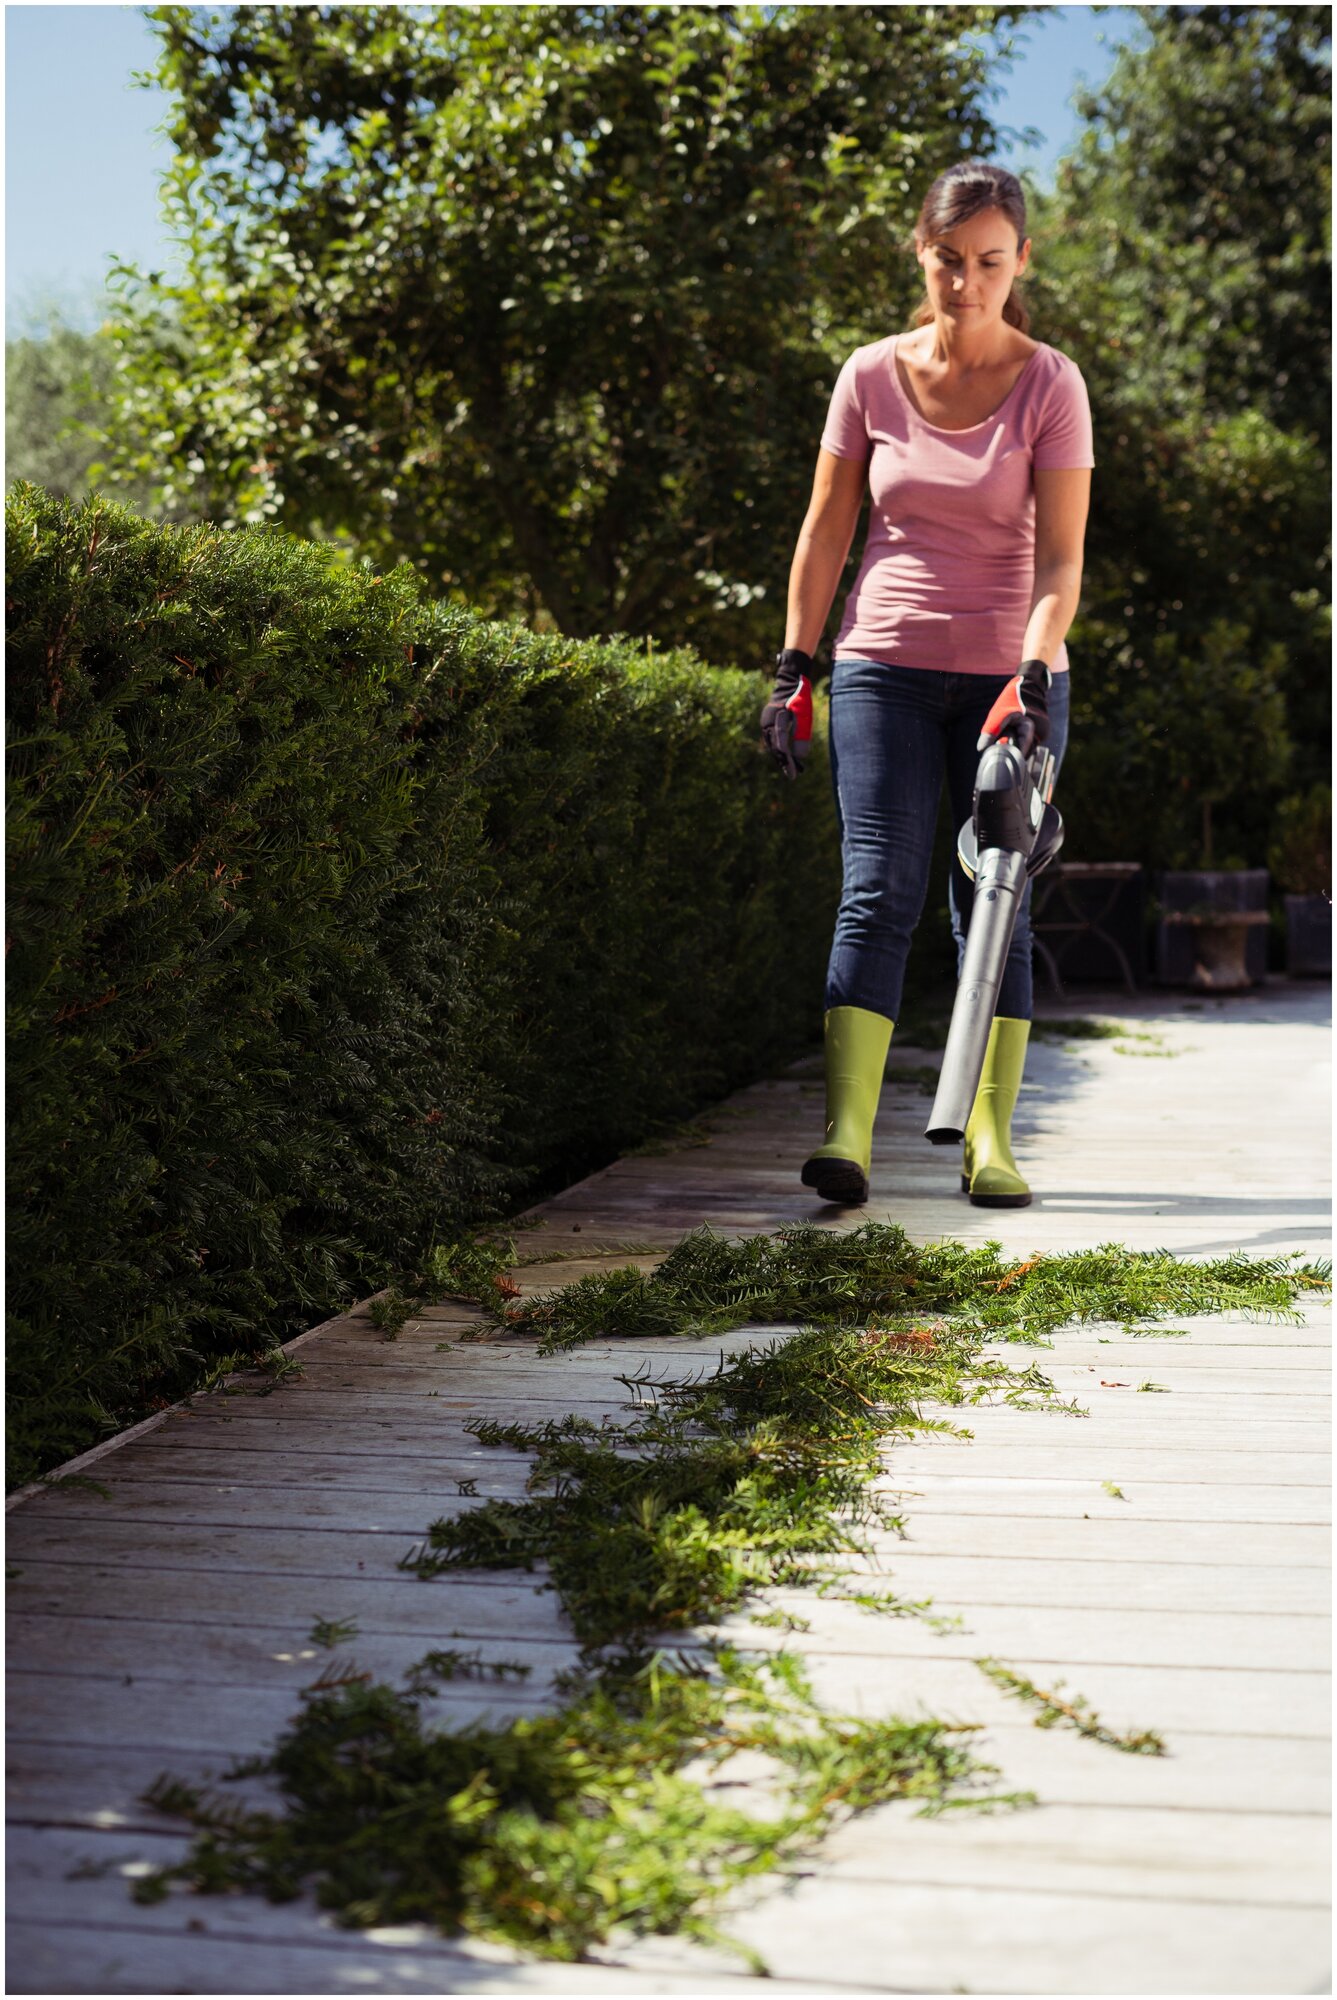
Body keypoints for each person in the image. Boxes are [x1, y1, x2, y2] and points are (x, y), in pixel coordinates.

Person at [761, 161, 1093, 1210]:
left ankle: (985, 1138)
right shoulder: (867, 374)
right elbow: (825, 531)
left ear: (1018, 261)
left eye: (988, 263)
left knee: (994, 904)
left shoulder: (1051, 384)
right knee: (877, 886)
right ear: (920, 253)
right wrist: (792, 666)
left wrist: (1031, 674)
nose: (967, 283)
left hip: (1011, 679)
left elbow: (1059, 562)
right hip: (881, 667)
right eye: (948, 261)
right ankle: (846, 1135)